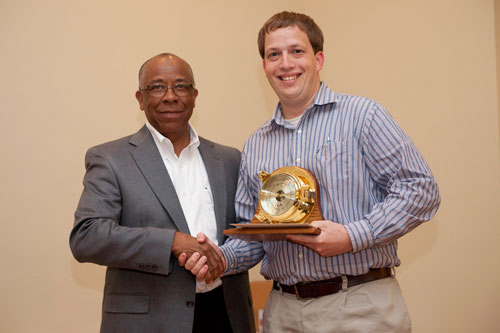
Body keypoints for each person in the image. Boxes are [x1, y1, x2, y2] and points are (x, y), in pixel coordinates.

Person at [182, 11, 441, 333]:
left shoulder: (364, 116)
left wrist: (351, 237)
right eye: (274, 54)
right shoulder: (255, 145)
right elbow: (256, 235)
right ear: (264, 67)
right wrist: (218, 258)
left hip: (360, 305)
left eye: (297, 51)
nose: (286, 63)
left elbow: (420, 190)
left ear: (318, 59)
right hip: (283, 312)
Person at [69, 53, 254, 333]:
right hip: (148, 322)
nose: (170, 96)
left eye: (180, 86)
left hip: (226, 314)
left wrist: (226, 259)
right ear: (140, 99)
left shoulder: (230, 159)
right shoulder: (110, 158)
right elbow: (87, 236)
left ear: (194, 95)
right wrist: (172, 242)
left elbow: (248, 233)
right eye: (157, 87)